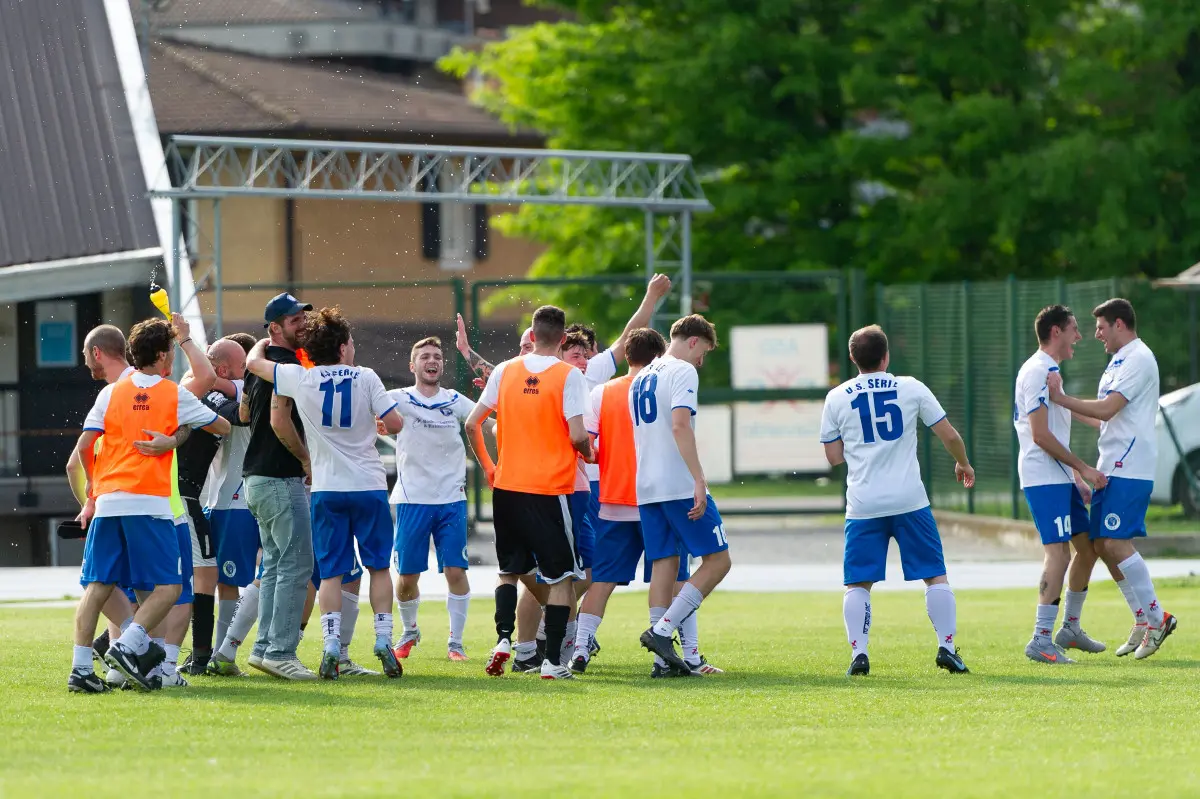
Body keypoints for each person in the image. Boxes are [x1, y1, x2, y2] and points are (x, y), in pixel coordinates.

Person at [69, 318, 230, 692]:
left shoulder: (111, 393)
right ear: (162, 355)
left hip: (109, 502)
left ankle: (81, 669)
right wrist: (175, 438)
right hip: (150, 504)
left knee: (98, 586)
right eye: (171, 350)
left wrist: (93, 492)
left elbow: (82, 448)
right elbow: (222, 426)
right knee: (169, 588)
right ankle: (128, 648)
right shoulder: (173, 393)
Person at [245, 307, 405, 679]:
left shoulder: (300, 377)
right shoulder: (366, 376)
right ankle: (383, 639)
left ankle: (331, 645)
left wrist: (264, 343)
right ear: (345, 346)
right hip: (368, 485)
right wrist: (376, 420)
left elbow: (254, 364)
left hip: (326, 488)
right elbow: (395, 423)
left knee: (331, 572)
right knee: (378, 566)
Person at [819, 325, 974, 677]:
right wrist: (963, 463)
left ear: (852, 358)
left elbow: (832, 456)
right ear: (886, 356)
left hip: (863, 505)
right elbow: (948, 434)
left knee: (857, 582)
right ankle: (947, 647)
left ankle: (859, 654)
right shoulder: (910, 387)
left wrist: (860, 449)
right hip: (909, 501)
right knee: (935, 576)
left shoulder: (837, 397)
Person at [464, 305, 593, 680]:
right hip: (549, 489)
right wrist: (589, 453)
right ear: (564, 338)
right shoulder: (568, 375)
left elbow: (474, 423)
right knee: (559, 578)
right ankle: (553, 662)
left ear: (532, 336)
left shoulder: (504, 370)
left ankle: (504, 639)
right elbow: (578, 434)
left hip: (507, 488)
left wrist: (490, 468)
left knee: (509, 571)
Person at [1047, 298, 1177, 659]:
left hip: (1131, 466)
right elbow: (1105, 419)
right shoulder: (1116, 363)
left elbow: (1107, 408)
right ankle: (1141, 619)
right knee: (1102, 545)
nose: (1096, 334)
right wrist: (1061, 405)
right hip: (1112, 464)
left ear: (1120, 324)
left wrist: (1061, 398)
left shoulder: (1138, 359)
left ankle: (1157, 617)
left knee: (1116, 543)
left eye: (1101, 327)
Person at [630, 314, 731, 676]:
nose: (702, 360)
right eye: (704, 351)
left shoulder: (641, 375)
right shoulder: (683, 371)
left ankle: (664, 663)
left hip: (646, 486)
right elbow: (679, 424)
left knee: (664, 564)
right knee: (719, 561)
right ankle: (661, 632)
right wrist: (698, 478)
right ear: (693, 341)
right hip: (676, 484)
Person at [1013, 305, 1109, 664]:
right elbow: (1039, 434)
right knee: (1059, 553)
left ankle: (1069, 629)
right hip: (1042, 476)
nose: (1079, 337)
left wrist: (1073, 477)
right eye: (1074, 330)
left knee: (1088, 549)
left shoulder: (1050, 371)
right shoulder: (1039, 370)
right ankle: (1040, 639)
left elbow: (1059, 420)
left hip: (1057, 476)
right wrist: (1082, 467)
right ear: (1056, 332)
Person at [389, 336, 489, 663]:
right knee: (406, 579)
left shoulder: (455, 401)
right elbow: (366, 414)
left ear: (442, 365)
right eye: (424, 356)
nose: (432, 361)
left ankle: (456, 642)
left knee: (456, 572)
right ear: (412, 365)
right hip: (411, 500)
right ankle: (409, 631)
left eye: (437, 356)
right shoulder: (398, 399)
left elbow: (489, 423)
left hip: (451, 500)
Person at [241, 292, 317, 680]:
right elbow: (278, 420)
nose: (302, 323)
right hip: (280, 478)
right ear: (276, 327)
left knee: (274, 566)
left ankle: (263, 648)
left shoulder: (261, 365)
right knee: (295, 565)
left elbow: (242, 412)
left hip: (255, 478)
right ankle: (280, 651)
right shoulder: (285, 365)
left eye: (303, 316)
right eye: (294, 320)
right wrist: (305, 458)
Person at [175, 337, 246, 675]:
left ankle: (200, 654)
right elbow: (235, 416)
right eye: (242, 369)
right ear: (220, 371)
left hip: (181, 495)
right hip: (182, 496)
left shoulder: (185, 390)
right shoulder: (203, 393)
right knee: (204, 572)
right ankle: (201, 655)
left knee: (178, 576)